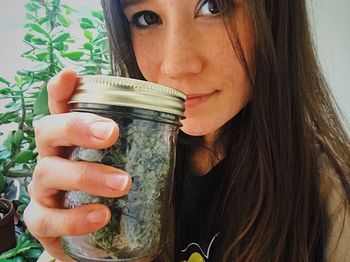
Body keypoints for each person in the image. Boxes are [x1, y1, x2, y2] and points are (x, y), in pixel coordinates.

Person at [24, 0, 350, 261]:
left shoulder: (333, 199)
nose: (176, 65)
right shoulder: (118, 162)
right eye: (147, 17)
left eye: (213, 6)